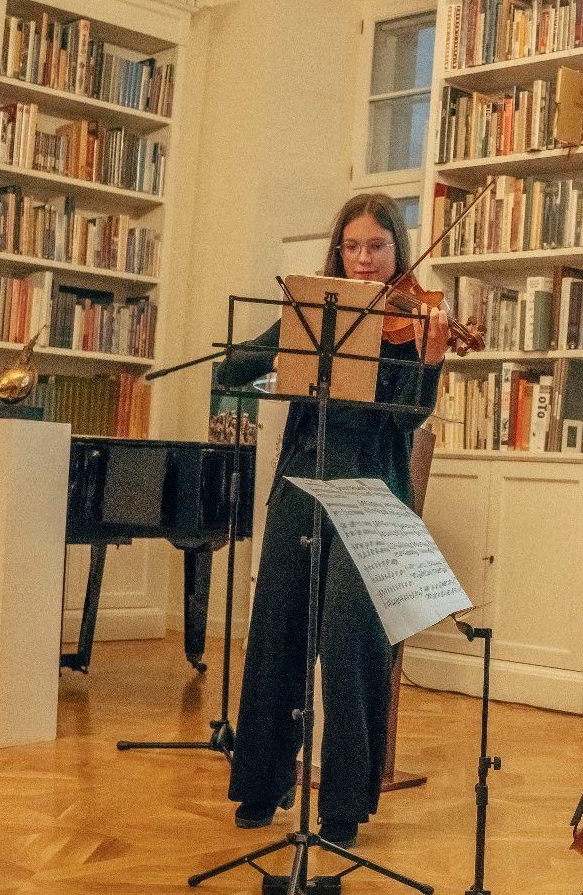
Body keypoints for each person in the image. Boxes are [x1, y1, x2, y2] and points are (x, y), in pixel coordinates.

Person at [220, 193, 448, 848]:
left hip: (374, 494)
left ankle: (345, 804)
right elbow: (232, 366)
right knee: (276, 634)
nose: (365, 259)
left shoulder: (416, 323)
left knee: (351, 641)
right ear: (338, 252)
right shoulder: (315, 310)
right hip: (302, 483)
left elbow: (407, 420)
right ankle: (261, 785)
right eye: (353, 246)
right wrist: (281, 350)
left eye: (378, 246)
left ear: (396, 250)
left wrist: (429, 365)